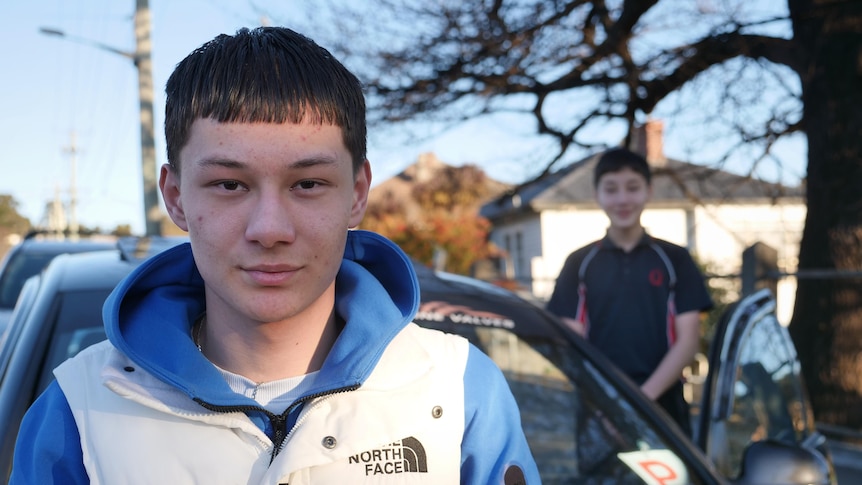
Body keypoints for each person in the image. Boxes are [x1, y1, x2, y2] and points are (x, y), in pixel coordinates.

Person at [11, 27, 539, 484]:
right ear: (174, 197)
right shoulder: (78, 411)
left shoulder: (458, 389)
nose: (270, 228)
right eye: (228, 184)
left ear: (357, 193)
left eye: (307, 183)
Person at [547, 147, 712, 436]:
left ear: (648, 191)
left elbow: (688, 342)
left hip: (664, 406)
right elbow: (571, 344)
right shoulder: (579, 263)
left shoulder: (675, 260)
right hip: (599, 408)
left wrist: (640, 401)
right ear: (597, 194)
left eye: (632, 188)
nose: (622, 199)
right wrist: (610, 403)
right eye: (611, 189)